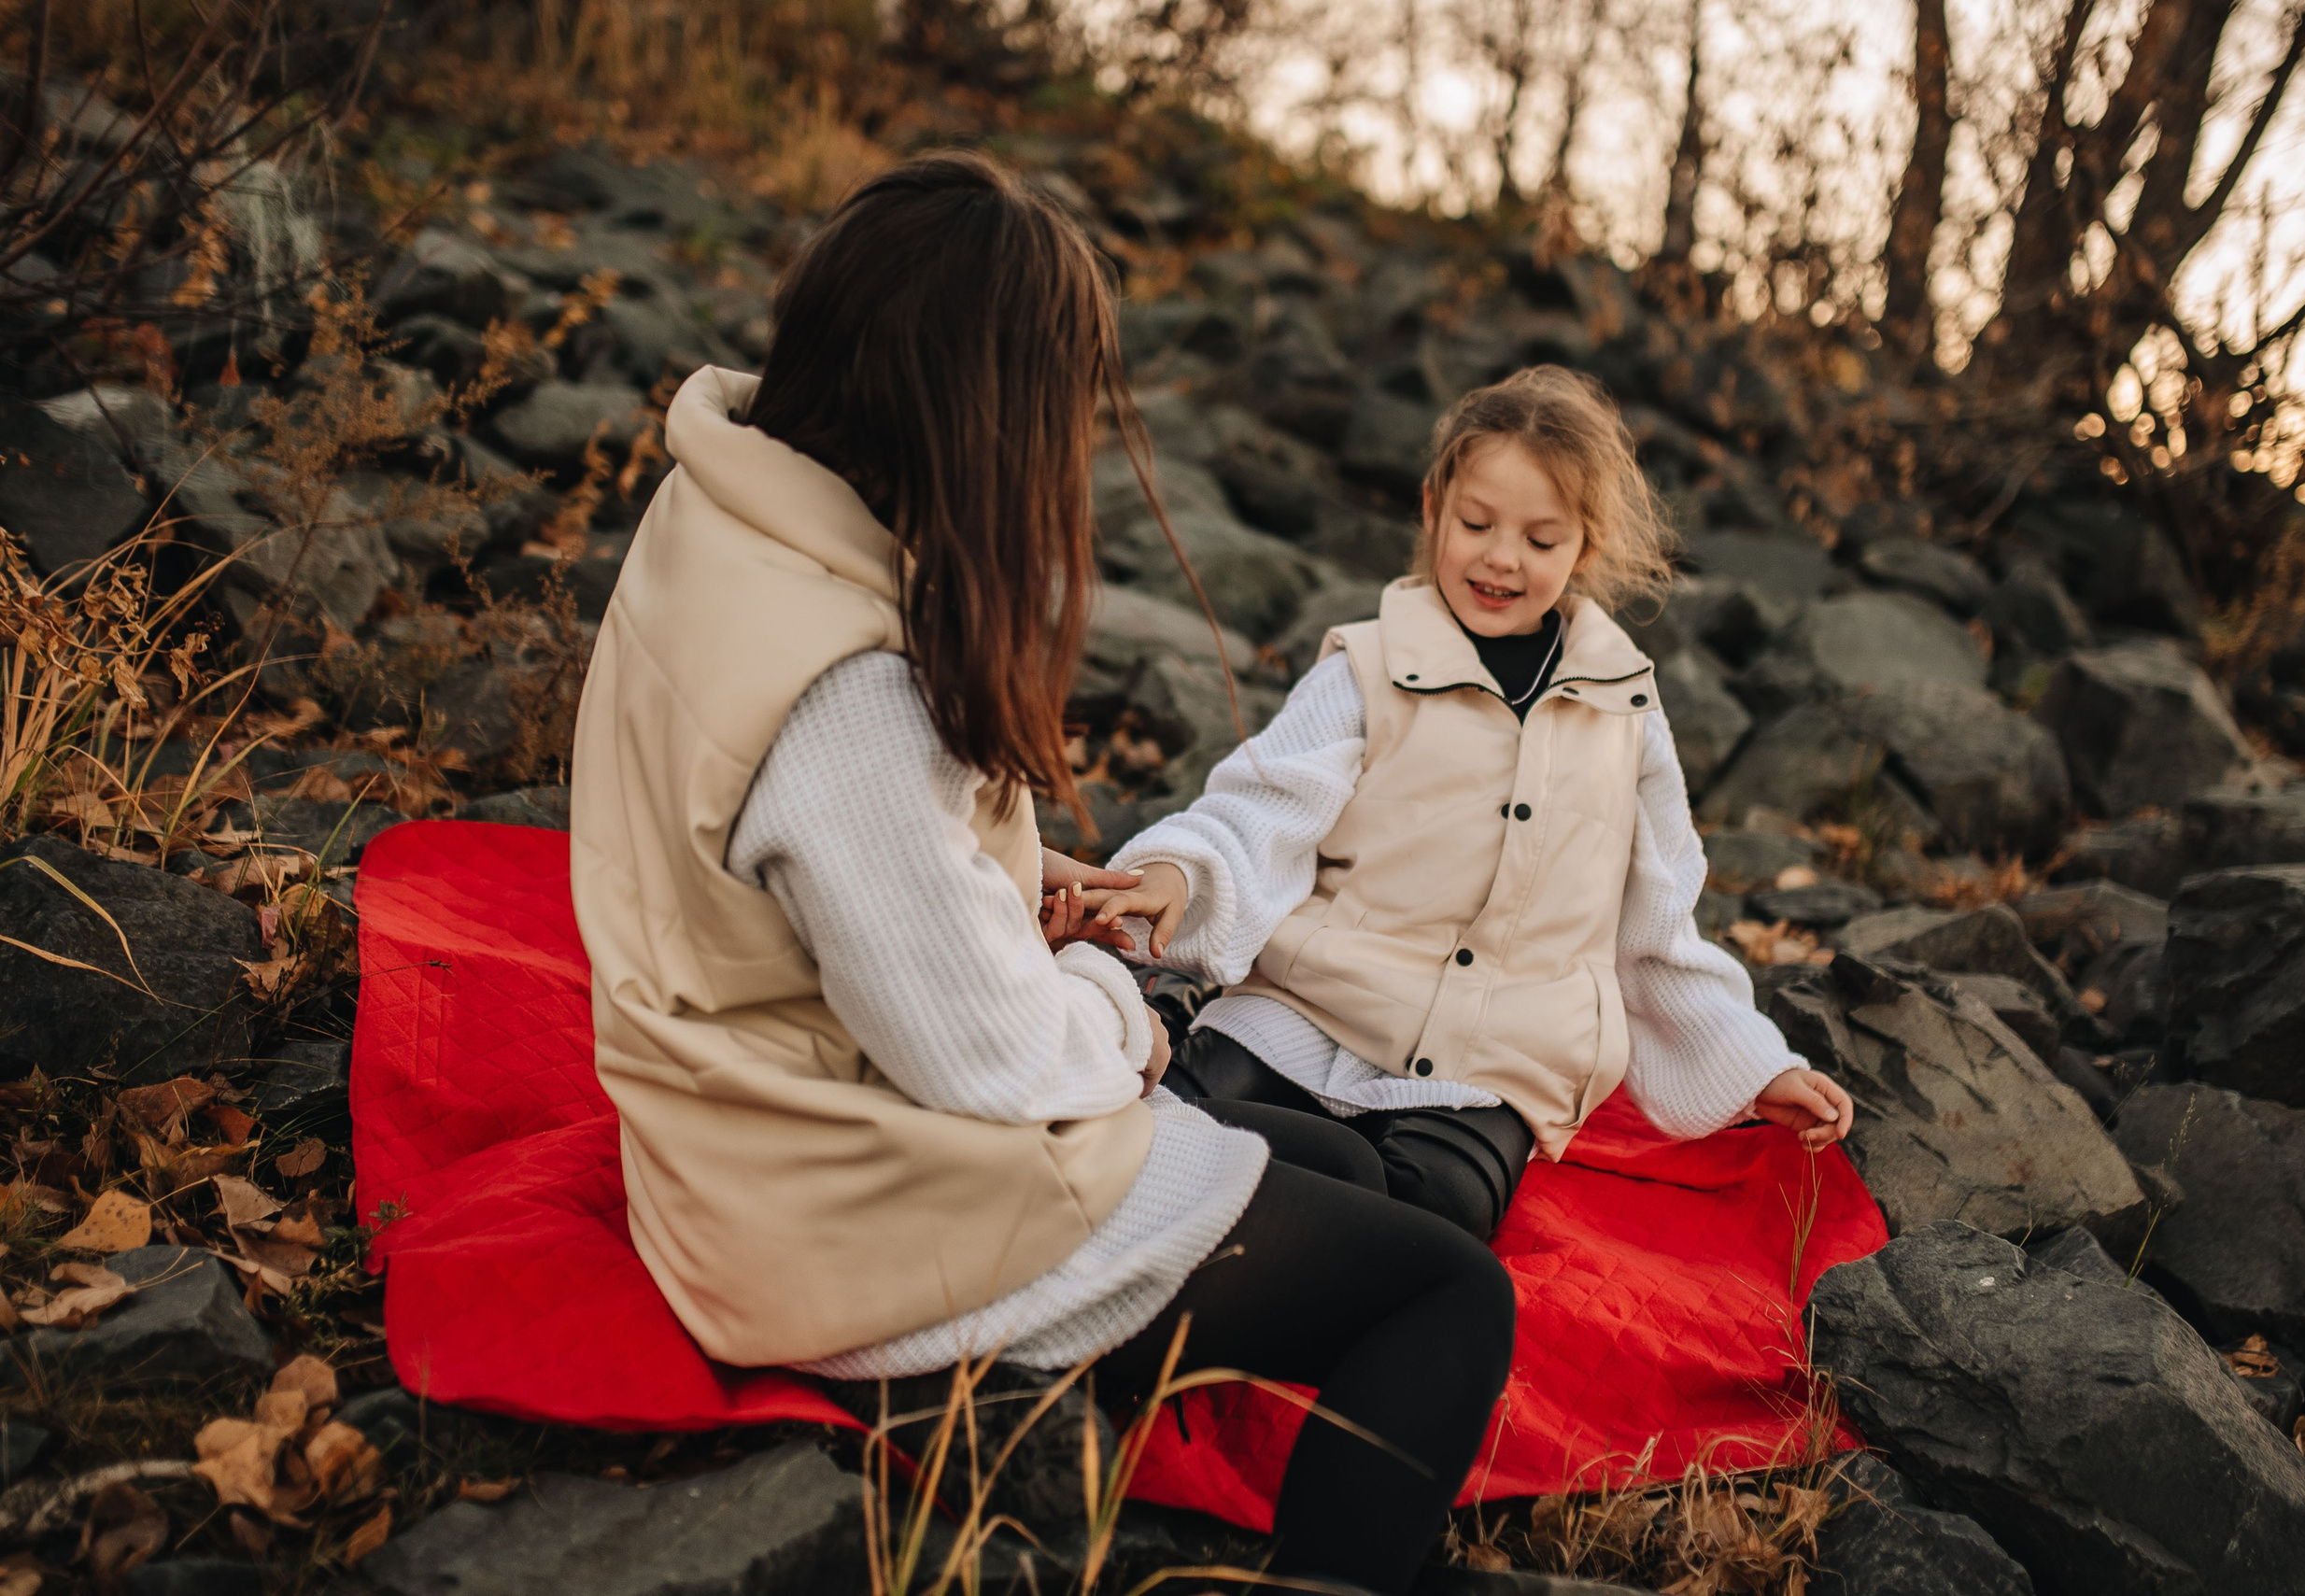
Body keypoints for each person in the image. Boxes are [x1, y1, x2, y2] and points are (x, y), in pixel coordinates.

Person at [566, 149, 1511, 1596]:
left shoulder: (729, 506)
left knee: (1320, 1159)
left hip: (763, 1115)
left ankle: (1058, 1400)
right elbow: (989, 1056)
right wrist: (1123, 1005)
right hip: (833, 1210)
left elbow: (798, 852)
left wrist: (992, 881)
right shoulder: (849, 703)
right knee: (1450, 1295)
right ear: (986, 409)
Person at [1085, 365, 1856, 1243]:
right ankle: (1228, 1173)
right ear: (1432, 511)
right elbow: (1264, 808)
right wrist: (1178, 874)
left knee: (1434, 1213)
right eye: (1477, 523)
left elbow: (1658, 930)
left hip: (1493, 1067)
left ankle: (1285, 1212)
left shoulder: (1627, 719)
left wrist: (1756, 1067)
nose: (1501, 557)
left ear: (1585, 547)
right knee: (1171, 1125)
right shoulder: (1364, 670)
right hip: (1304, 1010)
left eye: (1539, 537)